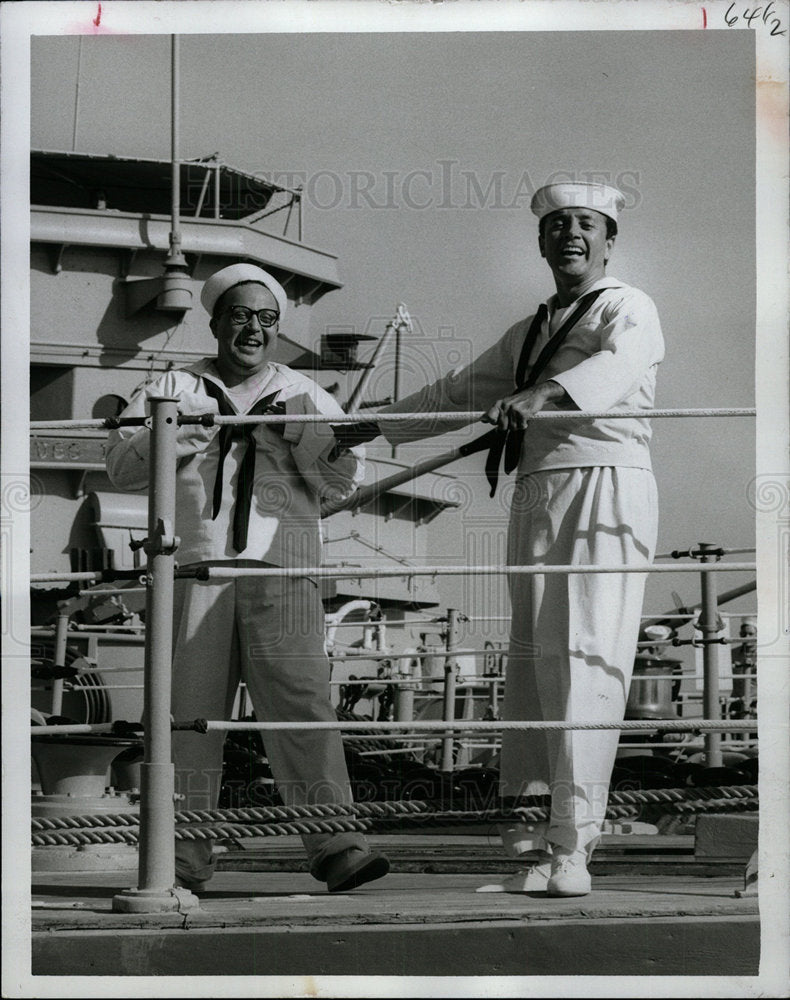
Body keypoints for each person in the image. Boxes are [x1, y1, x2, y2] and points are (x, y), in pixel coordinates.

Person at [334, 182, 664, 896]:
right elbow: (457, 389)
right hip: (538, 488)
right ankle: (537, 837)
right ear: (541, 241)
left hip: (604, 485)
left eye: (585, 224)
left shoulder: (627, 306)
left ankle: (576, 845)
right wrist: (372, 426)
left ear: (610, 240)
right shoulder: (534, 327)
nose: (570, 235)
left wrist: (540, 397)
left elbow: (613, 368)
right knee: (534, 667)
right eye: (556, 225)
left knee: (586, 657)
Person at [106, 262, 390, 894]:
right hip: (191, 571)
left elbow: (344, 483)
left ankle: (335, 841)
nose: (253, 329)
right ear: (215, 322)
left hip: (282, 568)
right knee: (186, 715)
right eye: (240, 316)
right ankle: (180, 860)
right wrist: (177, 436)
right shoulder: (173, 386)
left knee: (301, 706)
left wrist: (303, 437)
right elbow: (121, 467)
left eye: (266, 319)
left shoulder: (308, 395)